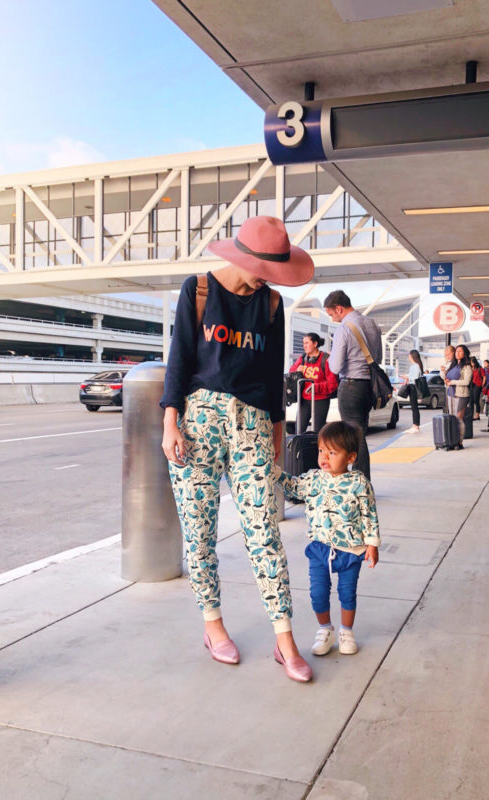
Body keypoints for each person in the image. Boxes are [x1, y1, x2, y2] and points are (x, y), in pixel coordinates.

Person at [161, 215, 314, 683]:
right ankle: (213, 625)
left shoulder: (271, 303)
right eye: (260, 269)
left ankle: (284, 637)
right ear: (241, 256)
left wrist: (276, 440)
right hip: (197, 424)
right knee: (199, 532)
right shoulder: (199, 291)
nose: (264, 279)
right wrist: (170, 422)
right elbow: (180, 359)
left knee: (264, 530)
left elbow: (273, 378)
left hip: (251, 426)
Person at [274, 421, 380, 656]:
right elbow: (293, 486)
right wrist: (275, 473)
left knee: (347, 593)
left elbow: (369, 515)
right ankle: (325, 629)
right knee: (318, 593)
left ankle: (346, 631)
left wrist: (372, 544)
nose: (325, 457)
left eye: (333, 453)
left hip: (351, 550)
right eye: (322, 450)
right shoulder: (313, 479)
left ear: (350, 457)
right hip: (320, 548)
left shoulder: (359, 483)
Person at [323, 290, 382, 479]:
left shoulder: (344, 328)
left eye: (332, 314)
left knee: (355, 437)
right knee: (360, 433)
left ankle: (362, 483)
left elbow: (336, 366)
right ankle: (361, 480)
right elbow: (377, 358)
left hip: (350, 385)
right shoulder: (372, 324)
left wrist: (331, 357)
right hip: (368, 386)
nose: (332, 319)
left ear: (339, 308)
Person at [289, 332, 338, 432]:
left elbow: (333, 384)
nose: (304, 346)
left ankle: (317, 448)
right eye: (303, 343)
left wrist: (316, 387)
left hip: (320, 400)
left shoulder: (325, 359)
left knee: (318, 432)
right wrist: (297, 370)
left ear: (315, 344)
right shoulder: (302, 358)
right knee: (299, 430)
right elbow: (291, 373)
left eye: (307, 343)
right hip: (304, 400)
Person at [444, 344, 473, 448]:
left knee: (458, 418)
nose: (457, 353)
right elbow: (445, 376)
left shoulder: (467, 366)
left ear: (464, 353)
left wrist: (452, 382)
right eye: (456, 351)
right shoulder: (452, 365)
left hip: (462, 394)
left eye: (460, 351)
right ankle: (453, 441)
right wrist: (445, 377)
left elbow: (466, 381)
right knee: (452, 418)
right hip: (451, 393)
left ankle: (460, 442)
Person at [401, 349, 424, 433]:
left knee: (414, 407)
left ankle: (416, 425)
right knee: (414, 407)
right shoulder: (416, 366)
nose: (408, 357)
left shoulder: (416, 366)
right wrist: (406, 376)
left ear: (412, 356)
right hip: (413, 387)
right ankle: (415, 425)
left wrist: (406, 377)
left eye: (409, 355)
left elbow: (414, 377)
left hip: (413, 387)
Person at [469, 356, 484, 420]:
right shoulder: (470, 369)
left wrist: (482, 384)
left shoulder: (479, 368)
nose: (471, 364)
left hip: (478, 385)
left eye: (472, 362)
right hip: (472, 385)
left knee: (476, 400)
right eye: (471, 362)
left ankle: (477, 415)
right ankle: (471, 415)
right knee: (471, 401)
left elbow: (484, 377)